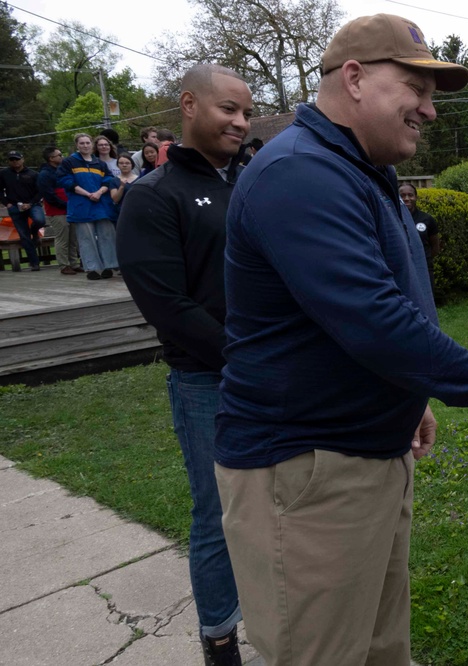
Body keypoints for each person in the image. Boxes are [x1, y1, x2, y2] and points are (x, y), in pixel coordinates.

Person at [215, 14, 468, 665]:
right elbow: (373, 320)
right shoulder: (300, 172)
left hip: (362, 455)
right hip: (308, 471)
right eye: (416, 89)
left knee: (377, 650)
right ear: (354, 78)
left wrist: (408, 394)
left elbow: (376, 311)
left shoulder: (352, 167)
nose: (428, 110)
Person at [116, 63, 252, 666]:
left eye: (247, 112)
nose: (241, 123)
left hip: (279, 374)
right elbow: (166, 306)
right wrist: (250, 360)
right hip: (208, 382)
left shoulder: (253, 182)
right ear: (189, 105)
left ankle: (282, 619)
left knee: (283, 502)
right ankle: (219, 638)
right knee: (217, 513)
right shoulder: (153, 194)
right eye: (229, 110)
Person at [57, 133, 118, 280]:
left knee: (106, 235)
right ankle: (92, 268)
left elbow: (108, 179)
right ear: (77, 145)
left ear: (92, 144)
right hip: (81, 204)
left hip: (101, 204)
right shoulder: (69, 162)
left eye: (87, 143)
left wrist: (98, 192)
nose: (85, 146)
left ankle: (109, 266)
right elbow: (65, 181)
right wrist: (87, 194)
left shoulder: (99, 163)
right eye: (82, 143)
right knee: (86, 238)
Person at [37, 146, 82, 275]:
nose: (62, 157)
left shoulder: (62, 170)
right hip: (57, 211)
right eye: (59, 155)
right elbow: (49, 195)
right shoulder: (45, 174)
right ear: (51, 158)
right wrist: (64, 204)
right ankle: (64, 264)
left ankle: (74, 263)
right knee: (62, 238)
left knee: (72, 238)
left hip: (70, 209)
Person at [0, 150, 46, 271]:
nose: (15, 162)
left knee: (40, 220)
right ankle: (34, 262)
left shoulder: (33, 174)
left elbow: (40, 191)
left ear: (22, 159)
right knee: (24, 236)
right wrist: (7, 203)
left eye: (17, 159)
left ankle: (35, 231)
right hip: (14, 206)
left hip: (33, 204)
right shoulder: (4, 174)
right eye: (12, 160)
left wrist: (30, 203)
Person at [399, 182, 439, 286]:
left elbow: (435, 246)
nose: (406, 198)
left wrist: (424, 258)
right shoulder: (393, 219)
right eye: (402, 196)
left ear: (415, 197)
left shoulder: (427, 219)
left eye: (410, 195)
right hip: (401, 268)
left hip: (424, 267)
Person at [110, 154, 139, 222]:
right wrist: (122, 186)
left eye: (127, 163)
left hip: (137, 212)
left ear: (132, 165)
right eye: (121, 163)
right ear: (118, 165)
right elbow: (115, 199)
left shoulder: (140, 179)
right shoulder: (113, 180)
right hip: (120, 213)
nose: (124, 165)